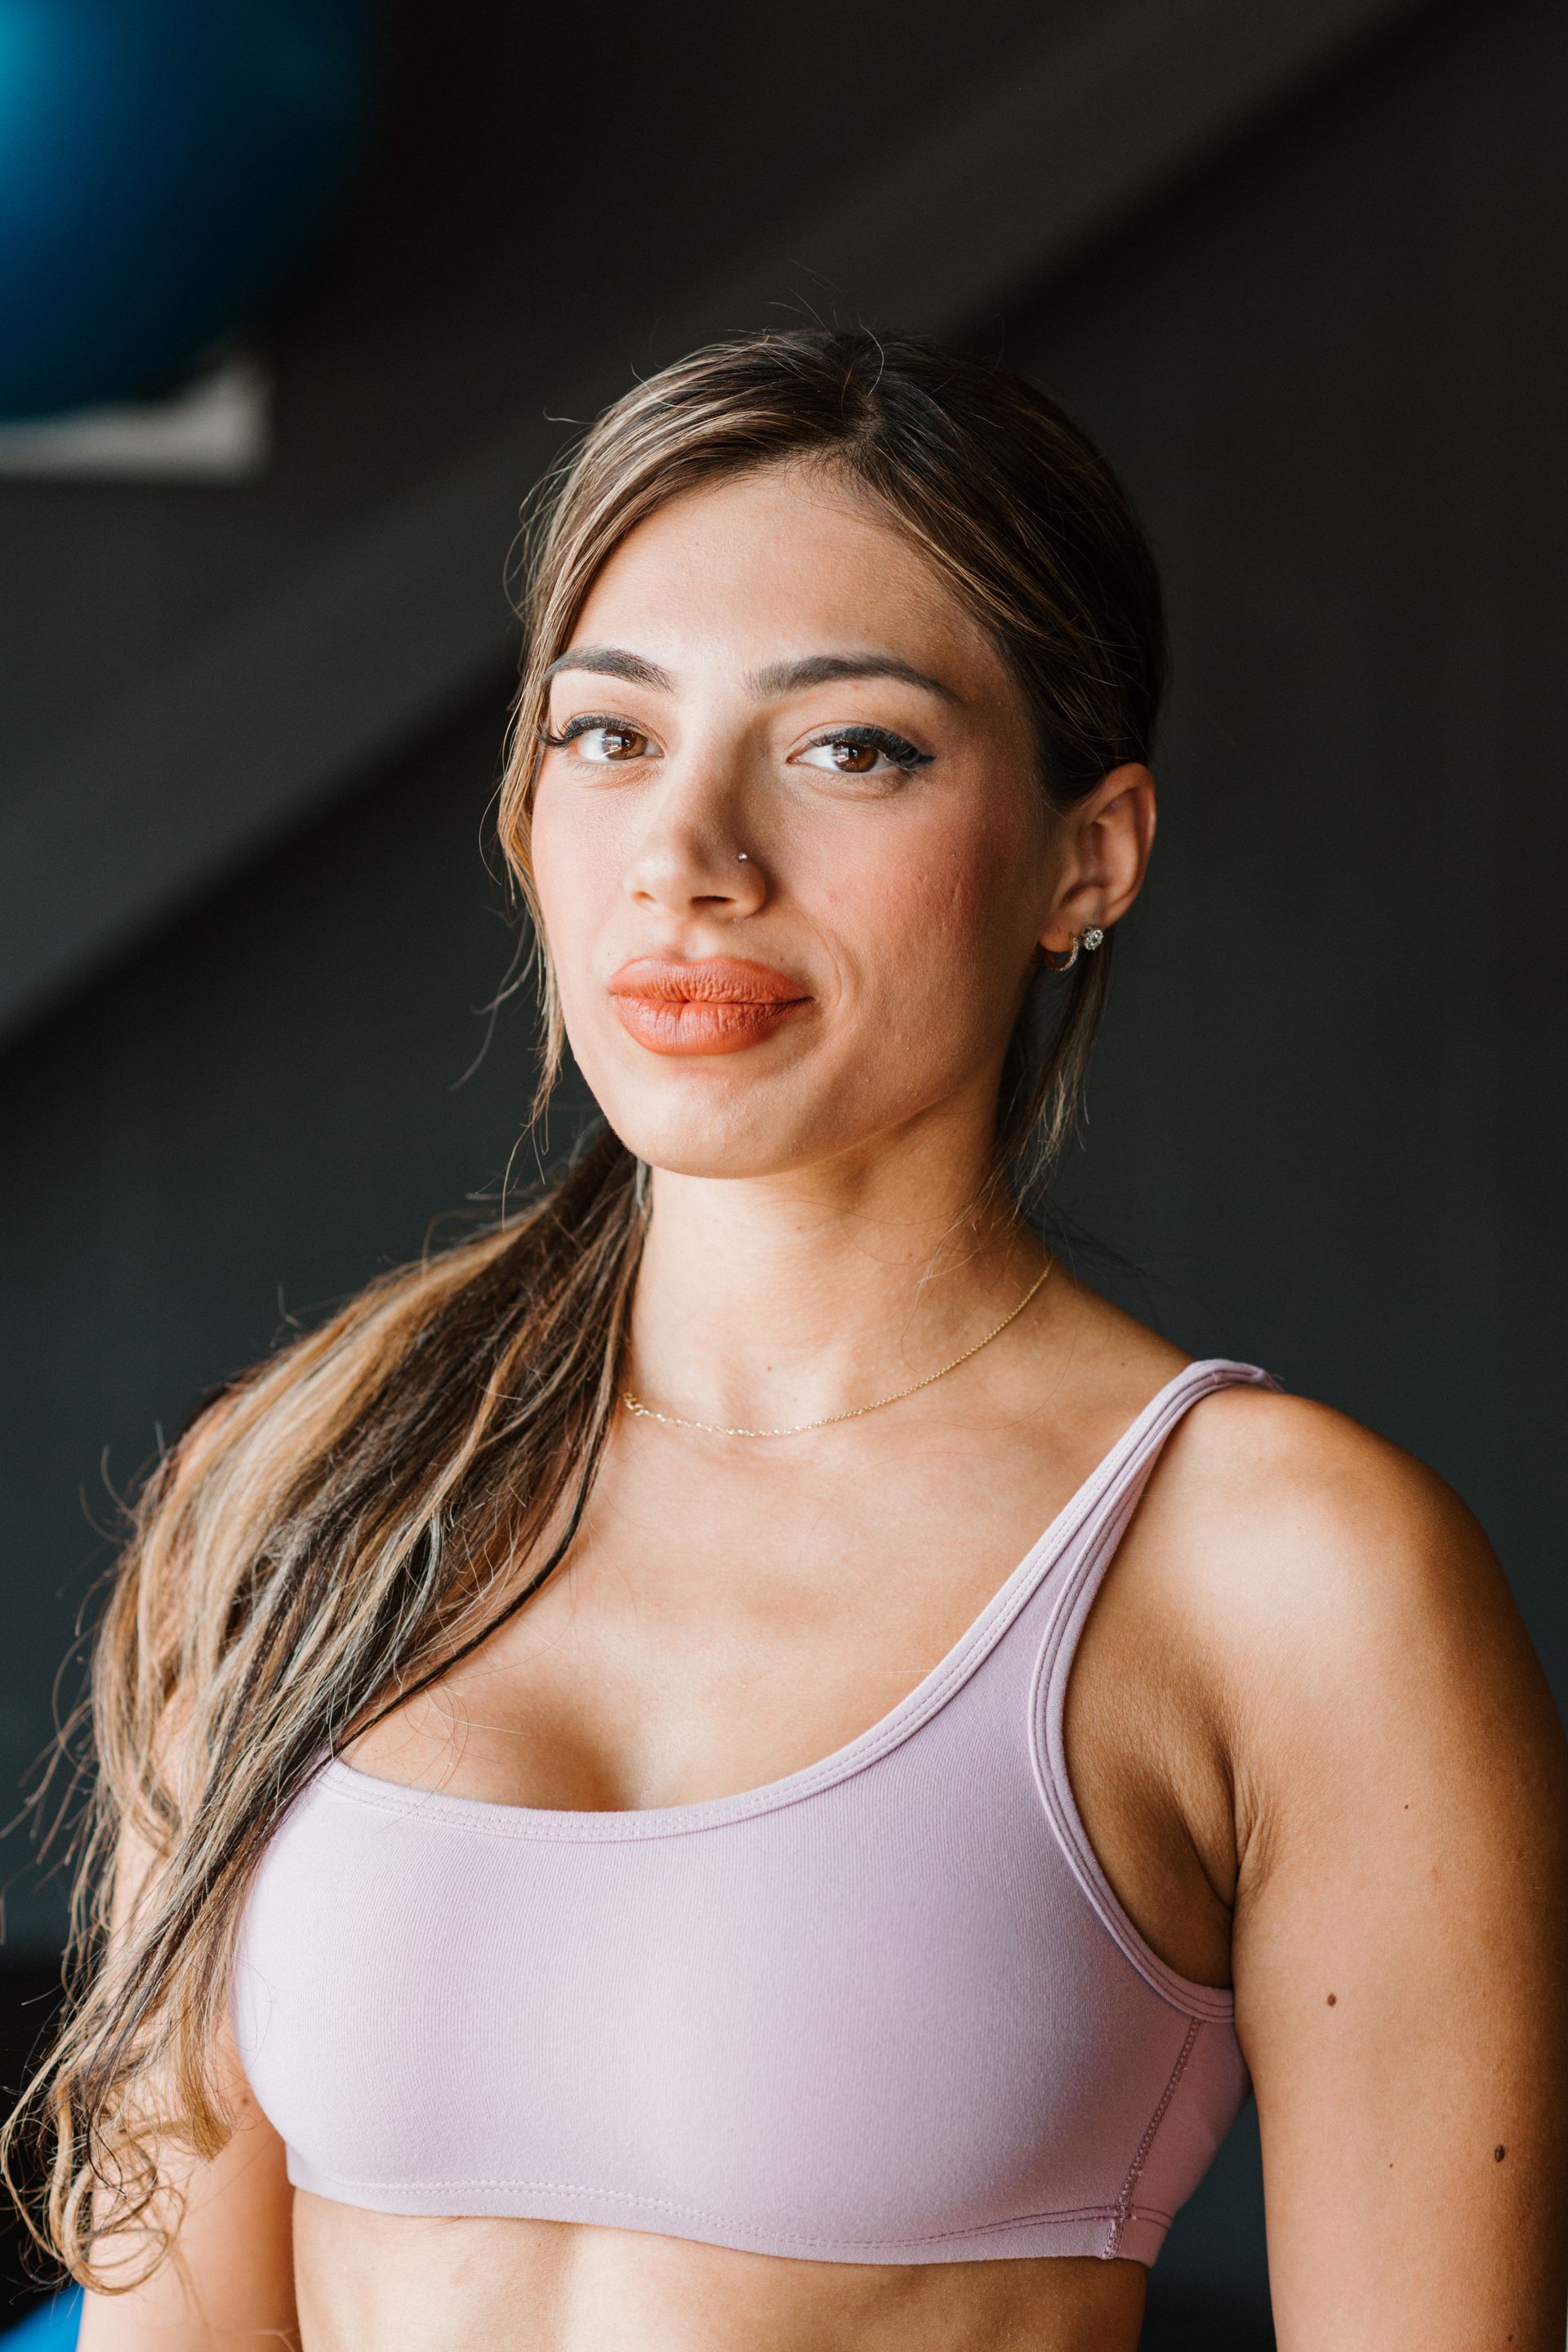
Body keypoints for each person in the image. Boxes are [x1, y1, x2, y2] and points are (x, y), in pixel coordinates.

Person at [10, 329, 1564, 2352]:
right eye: (610, 736)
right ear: (525, 816)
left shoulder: (1292, 1580)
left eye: (855, 749)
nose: (695, 857)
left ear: (1087, 859)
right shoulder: (296, 1488)